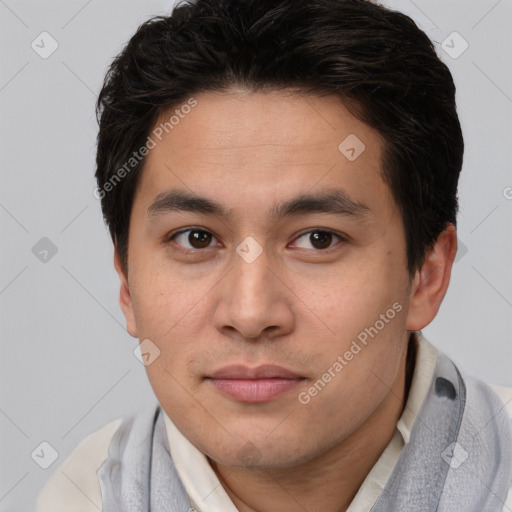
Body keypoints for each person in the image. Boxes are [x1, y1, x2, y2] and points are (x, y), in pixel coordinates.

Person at [36, 0, 512, 510]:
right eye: (196, 238)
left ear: (426, 277)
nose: (250, 314)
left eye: (318, 239)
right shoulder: (84, 493)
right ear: (127, 283)